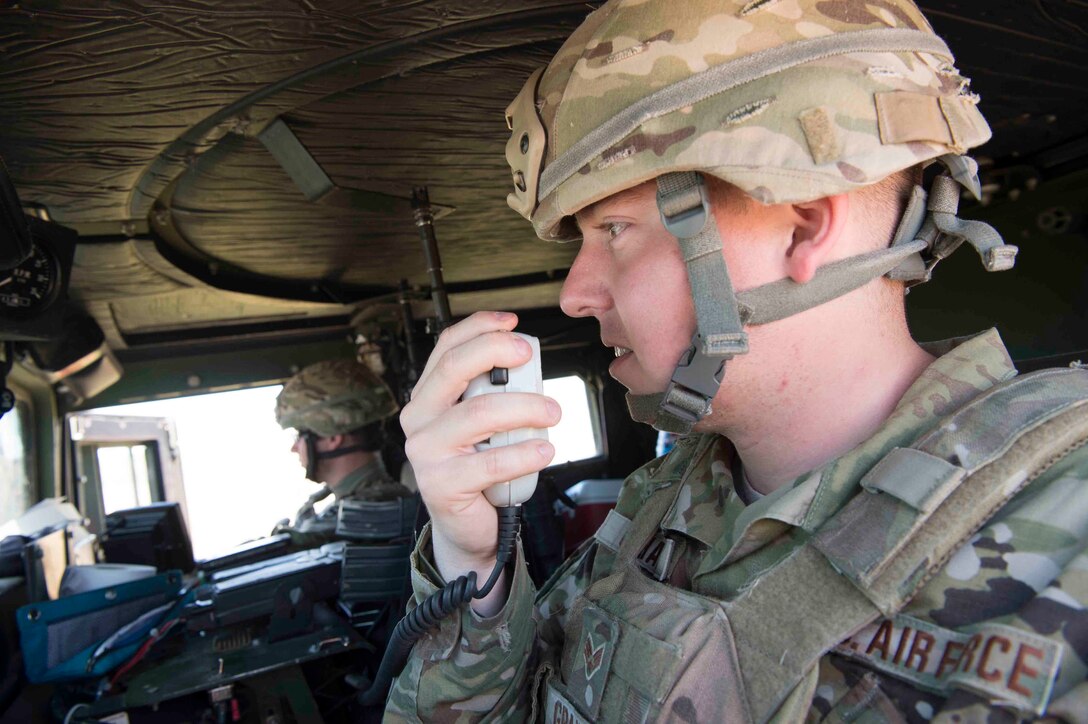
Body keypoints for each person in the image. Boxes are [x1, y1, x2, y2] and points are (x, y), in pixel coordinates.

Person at [387, 1, 1088, 720]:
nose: (575, 295)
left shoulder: (1069, 532)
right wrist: (473, 566)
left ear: (803, 228)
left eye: (616, 229)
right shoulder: (663, 500)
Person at [273, 358, 411, 549]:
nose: (294, 448)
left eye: (299, 436)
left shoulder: (374, 514)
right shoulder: (342, 510)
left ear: (332, 436)